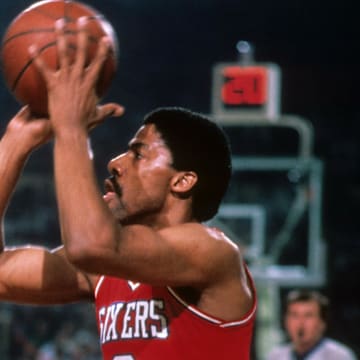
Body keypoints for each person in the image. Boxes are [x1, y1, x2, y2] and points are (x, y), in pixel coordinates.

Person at [0, 18, 256, 359]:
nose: (116, 162)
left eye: (139, 153)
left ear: (182, 181)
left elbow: (91, 245)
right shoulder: (105, 269)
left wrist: (71, 130)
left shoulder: (213, 252)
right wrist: (15, 145)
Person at [266, 289, 358, 360]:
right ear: (286, 321)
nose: (300, 323)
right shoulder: (276, 356)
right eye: (294, 315)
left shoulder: (340, 357)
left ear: (322, 323)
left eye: (308, 315)